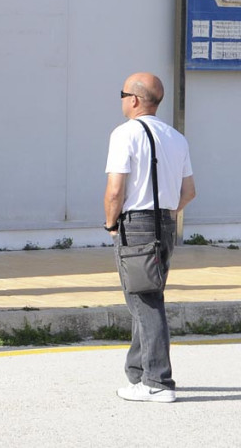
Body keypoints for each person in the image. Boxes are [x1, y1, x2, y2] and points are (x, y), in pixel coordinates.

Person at [104, 72, 196, 403]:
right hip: (165, 223)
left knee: (146, 301)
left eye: (123, 93)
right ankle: (138, 373)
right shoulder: (175, 137)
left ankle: (157, 380)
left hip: (136, 223)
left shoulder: (125, 134)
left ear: (135, 99)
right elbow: (189, 191)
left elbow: (116, 189)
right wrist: (168, 212)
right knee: (145, 296)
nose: (122, 99)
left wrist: (111, 224)